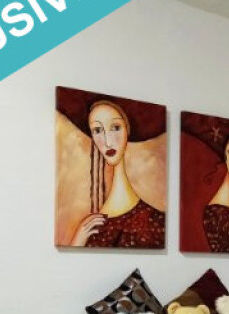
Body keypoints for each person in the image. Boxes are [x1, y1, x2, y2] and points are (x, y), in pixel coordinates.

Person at [69, 100, 165, 248]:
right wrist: (78, 242)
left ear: (127, 130)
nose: (107, 142)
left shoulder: (156, 222)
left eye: (115, 127)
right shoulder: (89, 228)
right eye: (97, 130)